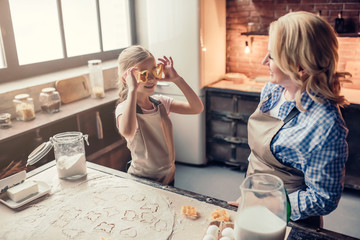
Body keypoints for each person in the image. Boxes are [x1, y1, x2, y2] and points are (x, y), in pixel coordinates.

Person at [229, 11, 352, 227]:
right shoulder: (272, 90)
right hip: (253, 198)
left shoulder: (325, 124)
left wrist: (264, 202)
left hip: (290, 220)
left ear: (300, 67)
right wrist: (252, 194)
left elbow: (324, 198)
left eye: (272, 56)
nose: (263, 61)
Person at [115, 45, 203, 185]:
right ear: (127, 78)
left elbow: (196, 108)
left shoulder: (160, 102)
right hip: (142, 181)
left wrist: (177, 79)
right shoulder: (124, 108)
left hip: (168, 177)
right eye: (143, 74)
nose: (151, 79)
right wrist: (132, 91)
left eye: (155, 71)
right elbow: (127, 131)